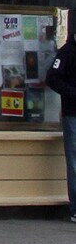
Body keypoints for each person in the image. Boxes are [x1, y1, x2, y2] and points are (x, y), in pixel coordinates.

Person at [48, 30, 76, 223]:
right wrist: (73, 93)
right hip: (73, 115)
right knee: (74, 162)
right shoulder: (67, 52)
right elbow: (53, 78)